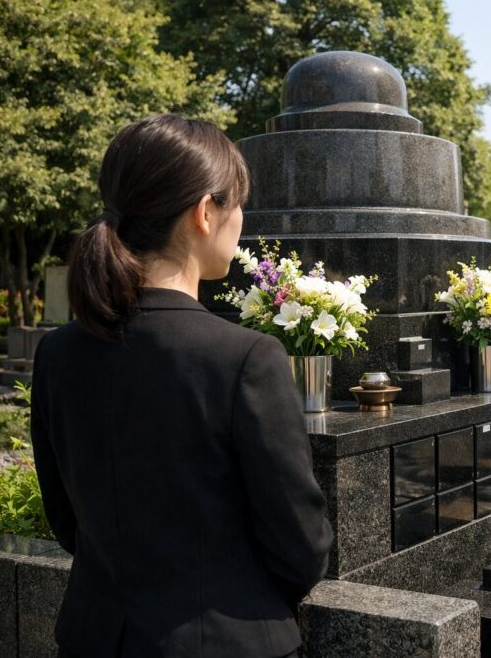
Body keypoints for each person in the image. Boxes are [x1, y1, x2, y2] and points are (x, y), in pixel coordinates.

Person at [30, 114, 333, 657]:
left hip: (92, 638)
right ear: (204, 212)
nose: (241, 220)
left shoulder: (57, 353)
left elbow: (67, 521)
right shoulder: (247, 357)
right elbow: (302, 547)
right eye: (237, 203)